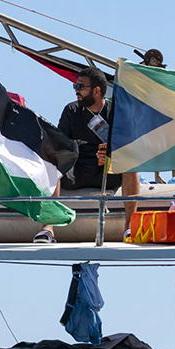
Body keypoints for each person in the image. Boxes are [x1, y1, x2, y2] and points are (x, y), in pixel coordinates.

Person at [34, 67, 140, 243]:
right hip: (78, 171)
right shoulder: (71, 111)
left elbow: (130, 146)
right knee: (52, 163)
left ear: (97, 91)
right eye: (75, 86)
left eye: (80, 87)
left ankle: (130, 227)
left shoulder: (117, 112)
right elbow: (61, 147)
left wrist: (112, 156)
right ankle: (48, 228)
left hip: (108, 172)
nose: (76, 90)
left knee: (130, 164)